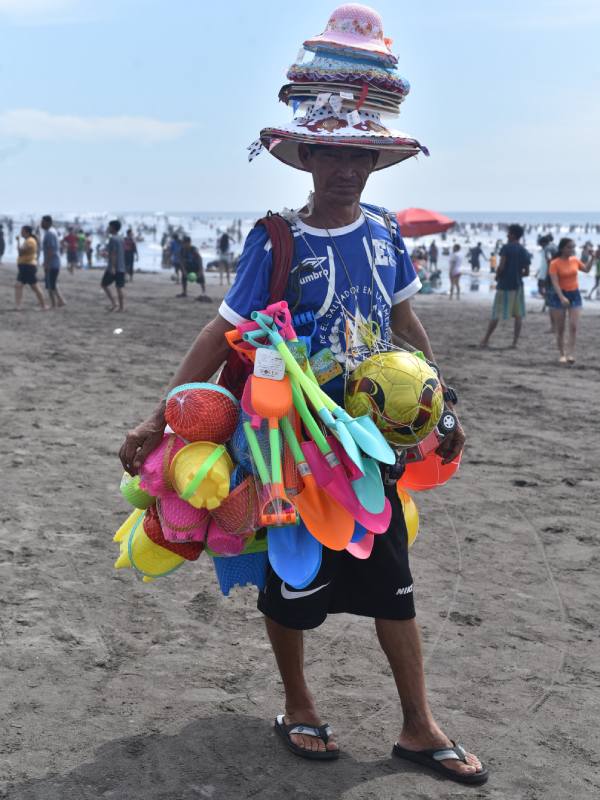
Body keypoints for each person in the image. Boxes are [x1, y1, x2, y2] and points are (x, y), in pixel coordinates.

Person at [119, 6, 487, 787]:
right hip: (287, 449)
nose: (345, 167)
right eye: (331, 152)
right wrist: (161, 415)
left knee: (394, 583)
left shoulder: (385, 234)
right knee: (293, 589)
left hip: (369, 447)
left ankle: (419, 726)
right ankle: (297, 703)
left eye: (360, 154)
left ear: (377, 161)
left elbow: (405, 327)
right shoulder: (276, 239)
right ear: (308, 153)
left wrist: (442, 406)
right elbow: (222, 334)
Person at [480, 224, 530, 348]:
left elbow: (501, 266)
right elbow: (527, 272)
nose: (507, 235)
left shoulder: (506, 248)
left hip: (504, 285)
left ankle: (486, 339)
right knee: (518, 315)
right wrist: (516, 275)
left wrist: (498, 276)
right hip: (518, 286)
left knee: (496, 313)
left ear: (512, 235)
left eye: (508, 233)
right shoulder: (524, 251)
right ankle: (515, 342)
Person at [547, 237, 592, 363]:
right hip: (559, 296)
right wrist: (562, 297)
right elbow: (555, 283)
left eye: (573, 247)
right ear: (562, 248)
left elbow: (587, 270)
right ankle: (562, 354)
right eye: (569, 247)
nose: (572, 249)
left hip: (575, 295)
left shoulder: (575, 260)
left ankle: (570, 354)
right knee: (560, 329)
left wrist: (593, 258)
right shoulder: (554, 263)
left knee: (573, 326)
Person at [15, 225, 47, 310]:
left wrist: (18, 242)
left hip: (28, 267)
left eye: (22, 231)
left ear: (27, 232)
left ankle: (43, 305)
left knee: (34, 286)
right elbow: (20, 252)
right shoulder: (27, 240)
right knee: (18, 285)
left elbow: (21, 251)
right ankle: (18, 306)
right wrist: (19, 242)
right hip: (24, 266)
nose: (21, 232)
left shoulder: (30, 241)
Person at [101, 219, 126, 312]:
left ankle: (115, 304)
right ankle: (121, 307)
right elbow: (117, 252)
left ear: (113, 228)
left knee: (104, 284)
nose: (108, 228)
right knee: (119, 287)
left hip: (114, 267)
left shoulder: (113, 239)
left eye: (109, 226)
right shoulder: (121, 238)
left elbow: (114, 254)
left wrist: (112, 267)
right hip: (121, 266)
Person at [41, 215, 65, 309]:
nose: (41, 224)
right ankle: (61, 301)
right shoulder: (52, 231)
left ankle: (53, 304)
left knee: (50, 284)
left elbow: (51, 250)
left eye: (43, 222)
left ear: (48, 223)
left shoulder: (50, 233)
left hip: (52, 263)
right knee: (53, 283)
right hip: (54, 262)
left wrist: (46, 263)